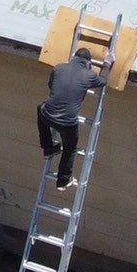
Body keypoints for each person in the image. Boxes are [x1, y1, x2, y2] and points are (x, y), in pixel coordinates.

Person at [38, 44, 112, 189]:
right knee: (70, 148)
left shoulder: (58, 68)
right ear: (88, 63)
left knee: (40, 109)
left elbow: (51, 85)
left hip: (48, 115)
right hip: (67, 123)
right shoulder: (89, 75)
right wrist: (107, 63)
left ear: (73, 58)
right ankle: (63, 180)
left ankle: (48, 148)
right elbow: (103, 81)